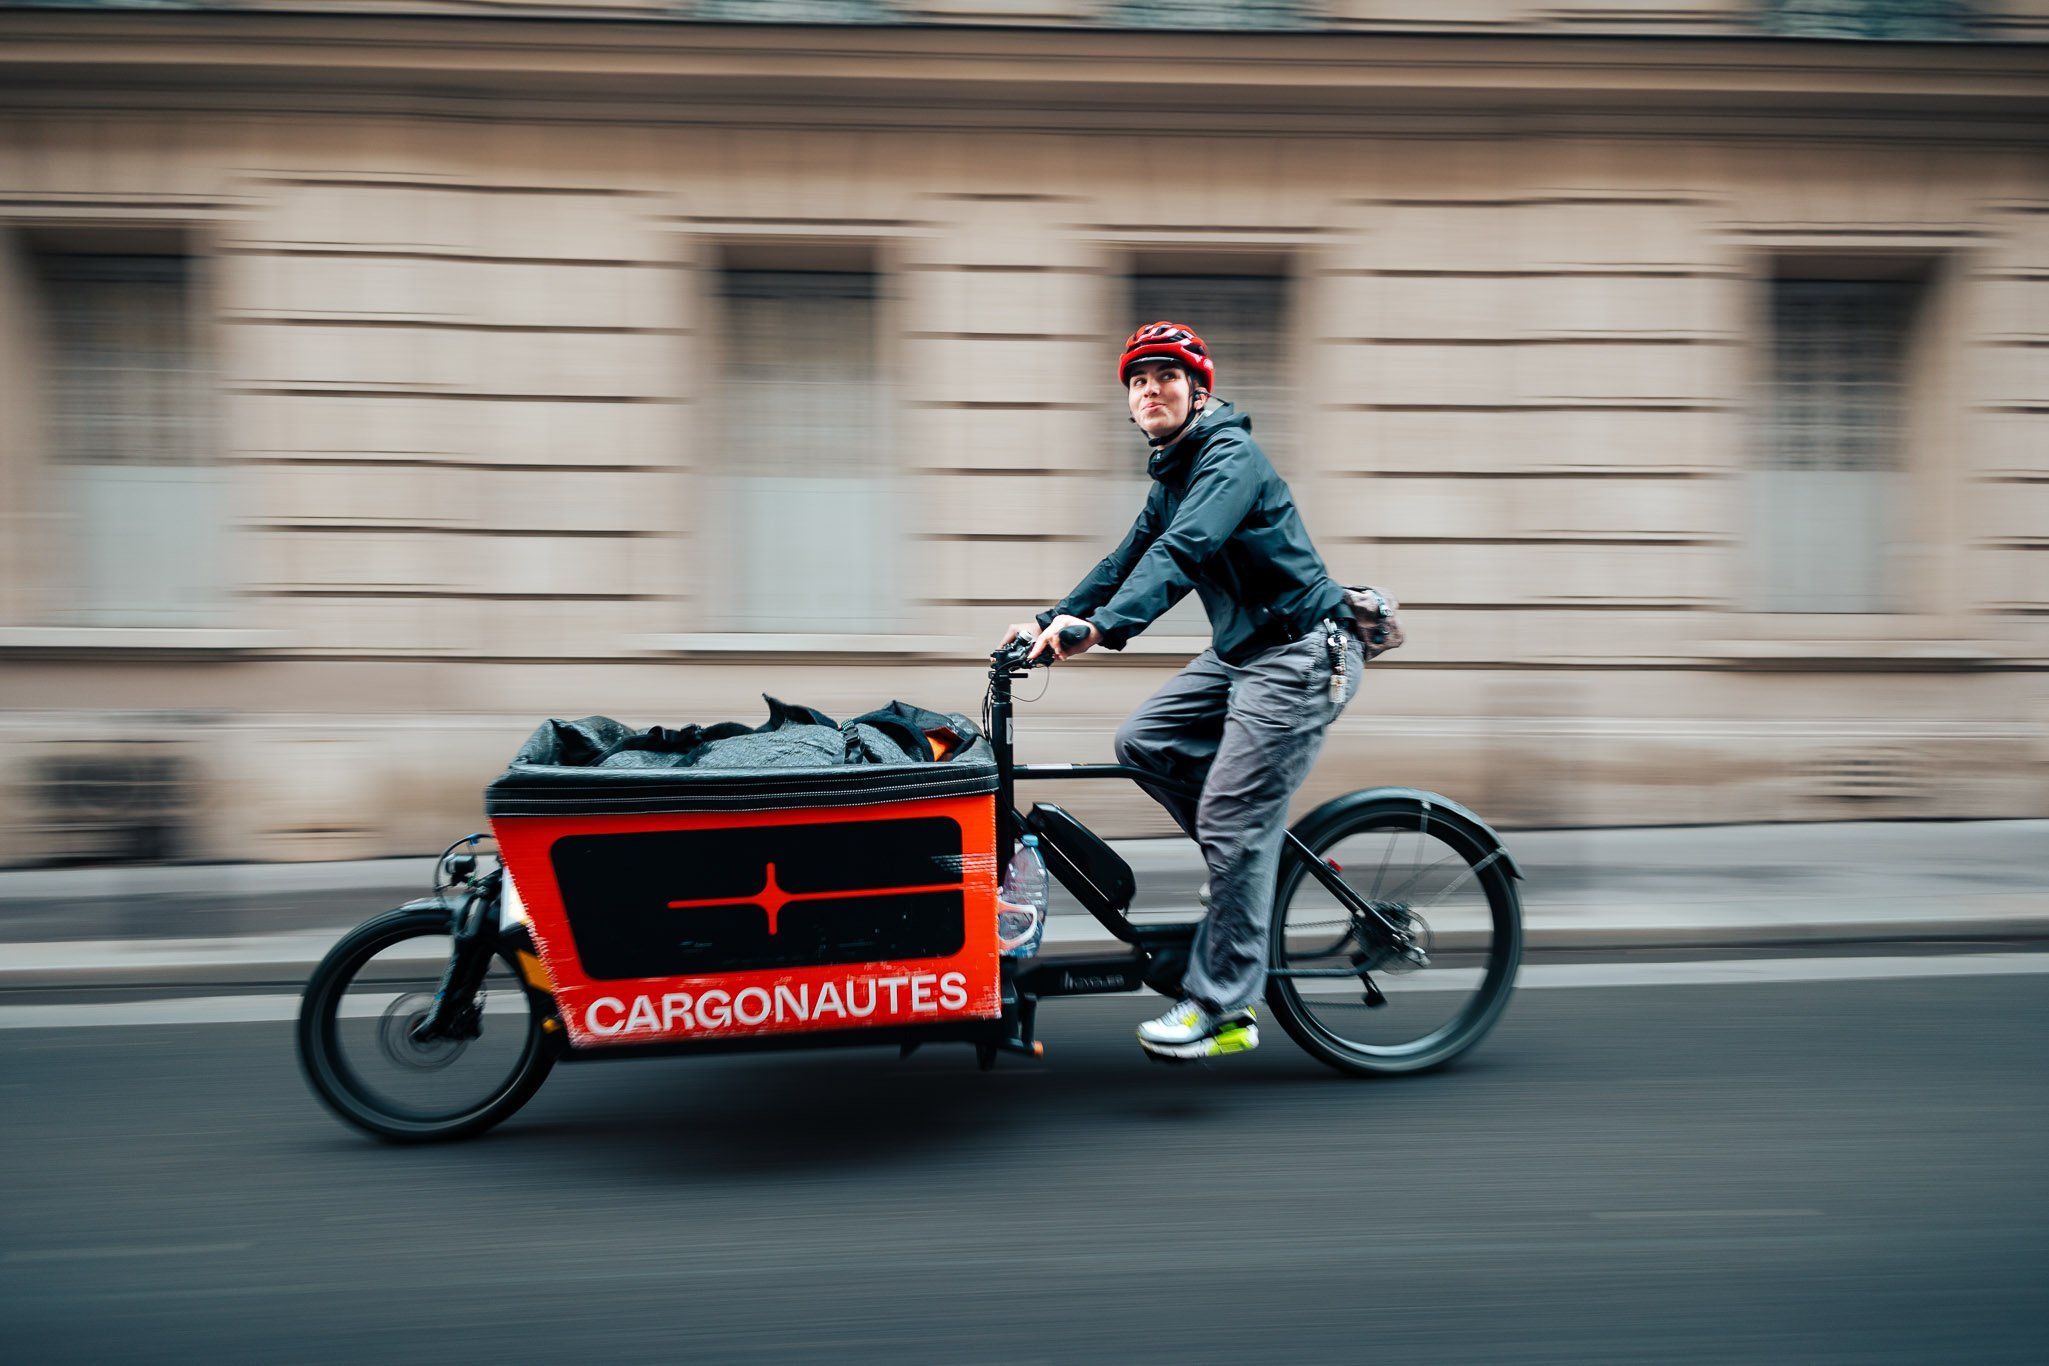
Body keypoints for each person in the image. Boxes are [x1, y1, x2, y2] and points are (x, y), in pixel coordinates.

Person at [1000, 320, 1371, 1061]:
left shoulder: (1227, 456)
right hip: (1240, 654)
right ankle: (1245, 871)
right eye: (1137, 383)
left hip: (1300, 655)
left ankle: (1222, 1009)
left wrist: (1103, 630)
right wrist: (1045, 623)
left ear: (1197, 390)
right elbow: (1124, 558)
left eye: (1165, 377)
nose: (1149, 391)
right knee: (1145, 740)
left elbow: (1184, 548)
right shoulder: (1172, 475)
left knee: (1235, 820)